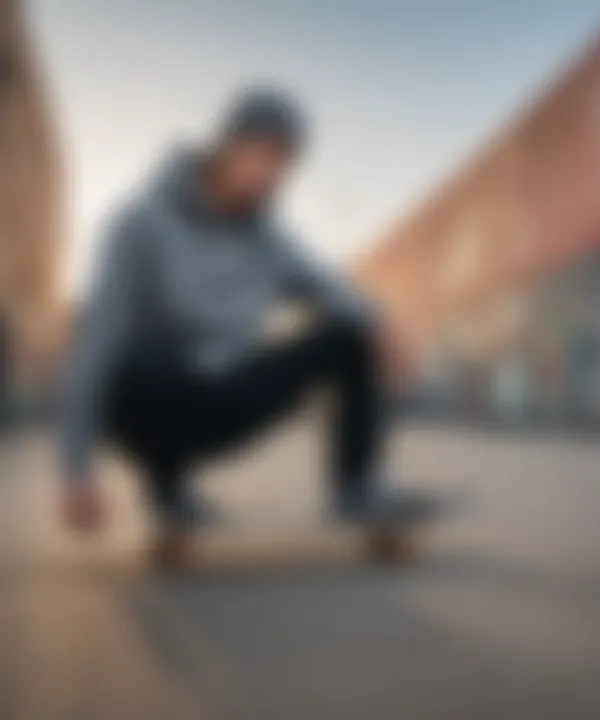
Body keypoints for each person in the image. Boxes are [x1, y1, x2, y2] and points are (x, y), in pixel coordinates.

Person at [61, 87, 435, 534]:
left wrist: (384, 329)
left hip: (229, 398)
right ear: (227, 144)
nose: (272, 173)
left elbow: (333, 288)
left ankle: (357, 488)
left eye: (285, 162)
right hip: (152, 402)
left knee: (349, 335)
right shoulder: (140, 222)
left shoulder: (271, 240)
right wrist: (76, 470)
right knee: (133, 357)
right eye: (264, 152)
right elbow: (98, 340)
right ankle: (169, 488)